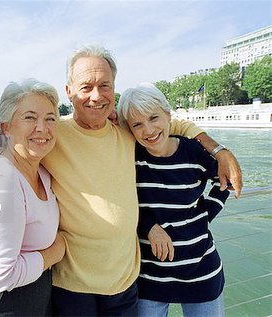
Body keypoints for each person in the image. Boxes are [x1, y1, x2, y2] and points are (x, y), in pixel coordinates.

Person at [38, 45, 242, 316]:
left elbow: (168, 125)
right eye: (86, 87)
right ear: (69, 92)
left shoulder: (126, 133)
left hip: (127, 282)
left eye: (105, 86)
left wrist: (219, 151)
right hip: (77, 283)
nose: (96, 96)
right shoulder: (54, 134)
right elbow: (14, 141)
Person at [118, 83, 230, 317]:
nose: (148, 130)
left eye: (154, 118)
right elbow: (120, 202)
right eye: (137, 124)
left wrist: (204, 215)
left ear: (168, 116)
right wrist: (148, 226)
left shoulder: (194, 151)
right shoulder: (130, 159)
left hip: (203, 274)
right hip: (150, 280)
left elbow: (224, 181)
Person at [0, 79, 66, 316]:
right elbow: (0, 277)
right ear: (6, 127)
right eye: (30, 117)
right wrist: (56, 252)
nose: (42, 127)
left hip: (36, 293)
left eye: (50, 118)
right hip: (6, 302)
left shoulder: (41, 171)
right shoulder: (0, 181)